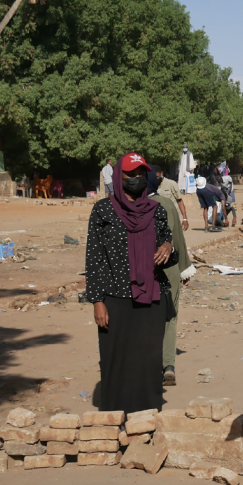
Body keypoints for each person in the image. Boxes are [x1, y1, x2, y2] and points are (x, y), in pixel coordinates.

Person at [85, 153, 175, 413]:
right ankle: (116, 417)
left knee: (148, 361)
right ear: (118, 176)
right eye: (130, 174)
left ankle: (147, 418)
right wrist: (97, 301)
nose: (136, 179)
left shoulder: (156, 210)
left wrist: (168, 246)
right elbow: (94, 259)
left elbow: (168, 248)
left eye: (140, 174)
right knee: (117, 360)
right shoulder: (102, 211)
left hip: (151, 298)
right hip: (115, 299)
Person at [147, 166, 195, 386]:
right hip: (169, 268)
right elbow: (178, 240)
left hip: (141, 270)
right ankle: (168, 366)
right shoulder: (167, 204)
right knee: (170, 316)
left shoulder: (128, 206)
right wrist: (185, 269)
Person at [155, 166, 189, 231]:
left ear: (161, 173)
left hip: (173, 217)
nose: (155, 179)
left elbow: (180, 201)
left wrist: (185, 218)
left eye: (157, 176)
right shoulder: (151, 186)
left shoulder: (171, 184)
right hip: (159, 218)